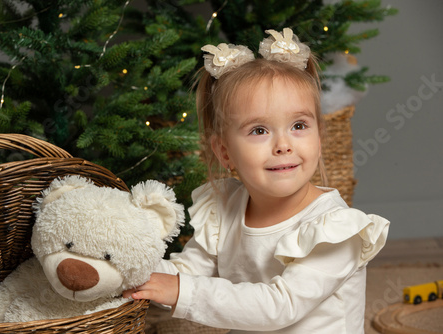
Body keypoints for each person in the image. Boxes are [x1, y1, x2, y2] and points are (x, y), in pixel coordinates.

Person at [123, 28, 390, 333]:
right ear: (224, 152)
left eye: (299, 125)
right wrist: (127, 268)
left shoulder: (334, 229)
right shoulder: (225, 208)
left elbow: (279, 306)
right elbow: (186, 272)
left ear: (320, 137)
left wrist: (182, 292)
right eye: (259, 130)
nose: (283, 145)